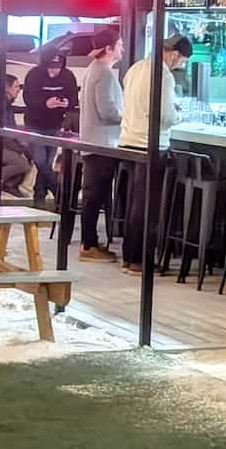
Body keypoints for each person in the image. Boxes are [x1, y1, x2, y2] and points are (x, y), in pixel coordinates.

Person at [119, 33, 193, 273]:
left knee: (133, 203)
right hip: (150, 145)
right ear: (173, 54)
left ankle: (129, 257)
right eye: (181, 60)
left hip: (128, 142)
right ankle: (140, 260)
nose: (180, 65)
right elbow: (166, 116)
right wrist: (180, 115)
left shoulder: (135, 68)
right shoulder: (163, 75)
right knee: (147, 207)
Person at [76, 30, 124, 260]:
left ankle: (90, 242)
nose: (122, 49)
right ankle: (89, 244)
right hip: (102, 143)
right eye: (120, 45)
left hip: (91, 140)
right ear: (109, 48)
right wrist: (128, 116)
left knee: (93, 195)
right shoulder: (104, 73)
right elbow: (107, 111)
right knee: (95, 196)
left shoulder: (92, 70)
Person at [22, 51, 78, 207]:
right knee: (40, 161)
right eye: (51, 67)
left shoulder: (68, 76)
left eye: (58, 67)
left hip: (55, 125)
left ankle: (39, 195)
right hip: (35, 124)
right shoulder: (34, 75)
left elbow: (74, 98)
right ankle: (59, 191)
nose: (54, 71)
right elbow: (28, 98)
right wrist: (45, 103)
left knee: (47, 162)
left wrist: (66, 102)